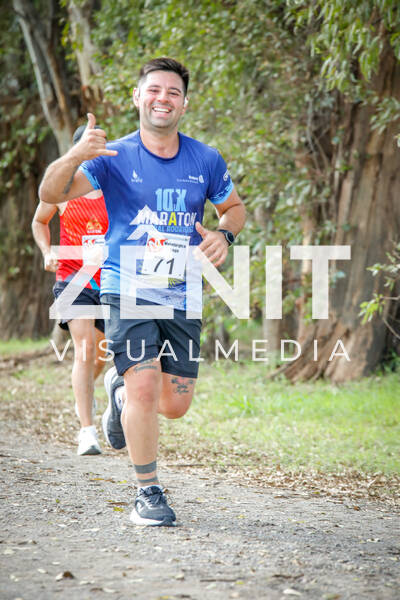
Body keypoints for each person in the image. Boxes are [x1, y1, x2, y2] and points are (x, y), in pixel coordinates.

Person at [38, 57, 246, 526]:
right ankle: (147, 493)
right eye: (154, 89)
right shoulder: (112, 157)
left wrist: (224, 234)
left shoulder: (206, 159)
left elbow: (234, 208)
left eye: (173, 92)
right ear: (138, 97)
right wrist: (75, 155)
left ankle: (117, 392)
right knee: (145, 385)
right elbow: (50, 195)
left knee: (175, 404)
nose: (162, 99)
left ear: (184, 104)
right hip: (124, 286)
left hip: (181, 290)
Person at [32, 125, 109, 456]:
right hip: (73, 277)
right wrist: (47, 251)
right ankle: (87, 432)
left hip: (109, 280)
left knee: (100, 357)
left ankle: (87, 395)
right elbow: (39, 221)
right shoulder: (64, 191)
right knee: (84, 349)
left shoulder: (113, 188)